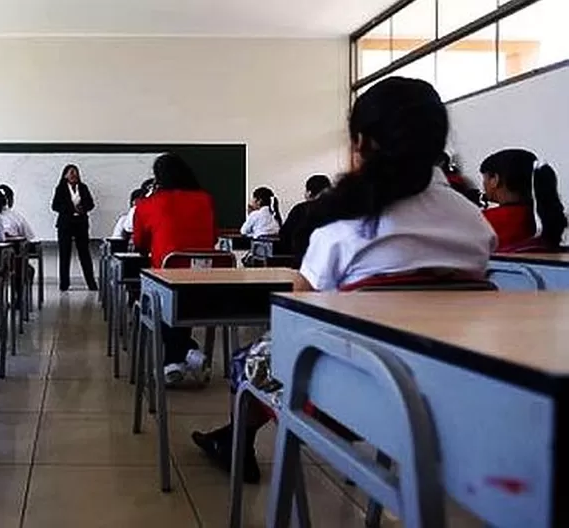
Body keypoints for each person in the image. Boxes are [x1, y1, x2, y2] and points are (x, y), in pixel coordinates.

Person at [192, 76, 496, 484]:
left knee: (254, 357)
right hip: (446, 398)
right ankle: (232, 439)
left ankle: (236, 444)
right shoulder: (473, 222)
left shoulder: (345, 229)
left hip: (348, 400)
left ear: (361, 143)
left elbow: (296, 323)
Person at [133, 153, 217, 386]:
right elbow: (213, 237)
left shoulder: (147, 203)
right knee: (179, 294)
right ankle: (179, 358)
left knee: (155, 301)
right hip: (207, 284)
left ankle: (184, 356)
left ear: (158, 179)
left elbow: (139, 242)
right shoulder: (205, 199)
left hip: (167, 281)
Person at [481, 148, 567, 252]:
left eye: (484, 178)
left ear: (495, 179)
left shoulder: (483, 221)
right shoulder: (544, 217)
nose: (483, 184)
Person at [51, 164, 98, 291]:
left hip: (81, 224)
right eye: (70, 173)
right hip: (65, 224)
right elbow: (55, 206)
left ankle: (91, 283)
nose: (73, 175)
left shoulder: (83, 188)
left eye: (75, 172)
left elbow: (91, 204)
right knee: (64, 254)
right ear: (65, 175)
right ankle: (64, 284)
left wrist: (83, 208)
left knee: (85, 254)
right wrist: (72, 209)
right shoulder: (60, 188)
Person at [277, 174, 331, 255]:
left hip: (302, 259)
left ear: (309, 193)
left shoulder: (299, 209)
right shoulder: (337, 210)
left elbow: (284, 234)